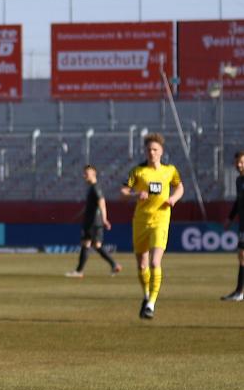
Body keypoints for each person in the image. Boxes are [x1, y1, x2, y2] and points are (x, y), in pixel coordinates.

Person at [120, 133, 184, 320]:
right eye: (149, 149)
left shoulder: (170, 170)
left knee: (155, 262)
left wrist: (173, 198)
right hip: (140, 221)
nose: (152, 152)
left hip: (161, 220)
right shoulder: (137, 171)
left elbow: (180, 186)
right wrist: (135, 195)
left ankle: (151, 303)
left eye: (155, 149)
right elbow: (123, 192)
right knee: (142, 265)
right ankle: (146, 295)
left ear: (161, 151)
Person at [65, 164, 121, 278]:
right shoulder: (92, 188)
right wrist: (81, 214)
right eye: (84, 173)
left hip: (93, 222)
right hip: (94, 221)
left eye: (86, 173)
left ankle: (79, 271)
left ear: (94, 174)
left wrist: (105, 219)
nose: (84, 175)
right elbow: (92, 205)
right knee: (96, 245)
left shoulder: (95, 188)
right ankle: (114, 265)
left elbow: (102, 202)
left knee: (86, 244)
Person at [220, 150, 244, 301]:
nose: (239, 165)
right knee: (241, 255)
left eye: (242, 162)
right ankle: (239, 291)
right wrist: (230, 218)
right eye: (237, 162)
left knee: (242, 255)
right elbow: (237, 202)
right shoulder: (239, 181)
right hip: (242, 224)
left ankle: (239, 292)